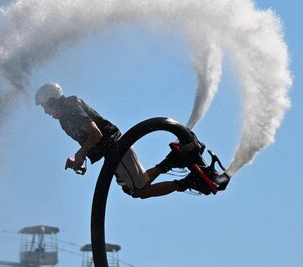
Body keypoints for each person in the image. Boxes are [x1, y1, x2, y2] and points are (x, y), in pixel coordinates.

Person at [35, 82, 195, 198]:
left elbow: (96, 134)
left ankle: (187, 181)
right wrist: (80, 156)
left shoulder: (70, 109)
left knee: (139, 190)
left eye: (44, 107)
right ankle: (170, 162)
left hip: (116, 149)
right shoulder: (66, 113)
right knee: (135, 185)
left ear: (52, 101)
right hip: (116, 149)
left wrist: (81, 153)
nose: (45, 112)